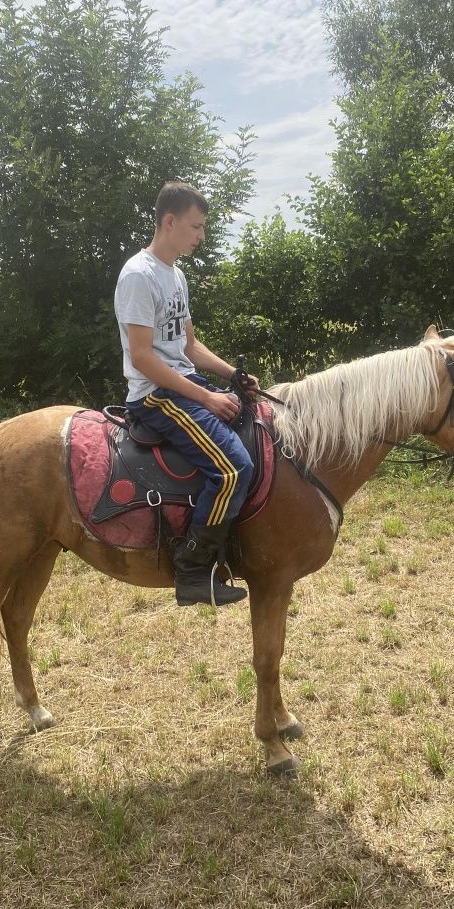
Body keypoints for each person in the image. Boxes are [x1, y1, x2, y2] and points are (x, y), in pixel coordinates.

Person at [114, 182, 260, 607]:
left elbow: (189, 347)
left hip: (181, 384)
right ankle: (193, 570)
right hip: (155, 396)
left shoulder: (175, 275)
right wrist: (206, 397)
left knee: (255, 422)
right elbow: (142, 358)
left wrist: (234, 376)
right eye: (196, 227)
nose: (201, 236)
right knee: (234, 468)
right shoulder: (138, 277)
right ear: (170, 221)